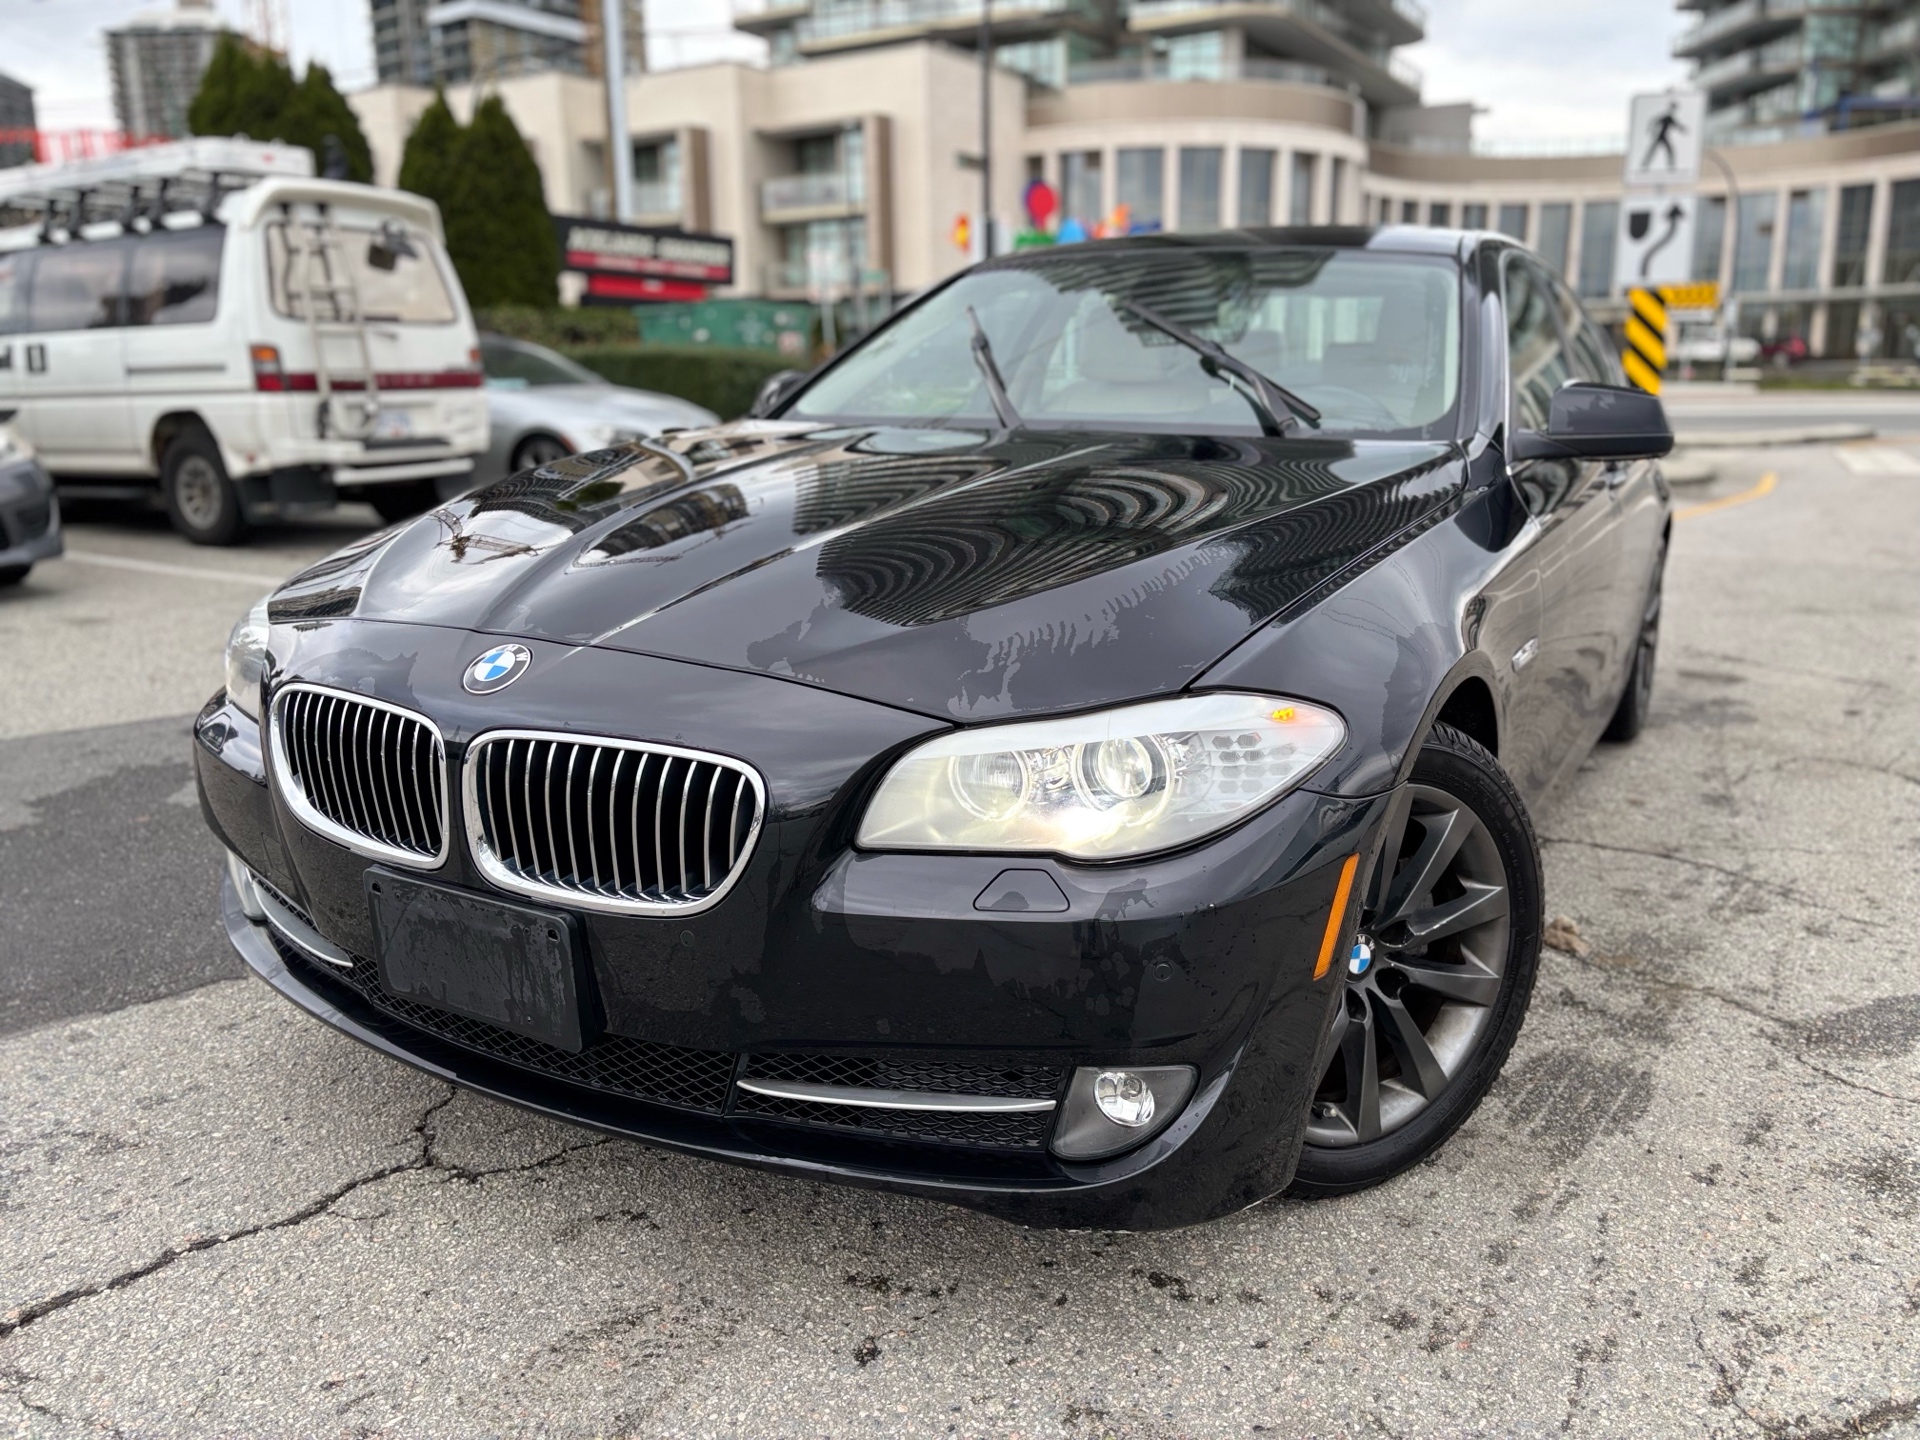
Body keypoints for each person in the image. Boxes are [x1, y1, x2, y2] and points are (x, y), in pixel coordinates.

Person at [1642, 101, 1686, 172]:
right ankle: (1645, 165)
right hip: (1659, 136)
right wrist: (1651, 131)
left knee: (1666, 150)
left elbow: (1677, 125)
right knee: (1654, 151)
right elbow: (1654, 121)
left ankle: (1670, 166)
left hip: (1663, 136)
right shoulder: (1666, 117)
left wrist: (1682, 129)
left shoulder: (1670, 118)